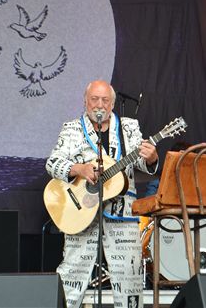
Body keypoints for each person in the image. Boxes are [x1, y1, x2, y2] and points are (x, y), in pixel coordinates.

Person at [46, 80, 159, 308]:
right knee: (71, 277)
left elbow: (143, 163)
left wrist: (152, 158)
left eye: (105, 100)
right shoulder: (72, 129)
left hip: (122, 217)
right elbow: (52, 163)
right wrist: (79, 169)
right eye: (94, 99)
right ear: (85, 102)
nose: (99, 105)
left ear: (113, 103)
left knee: (130, 279)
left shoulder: (128, 127)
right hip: (81, 215)